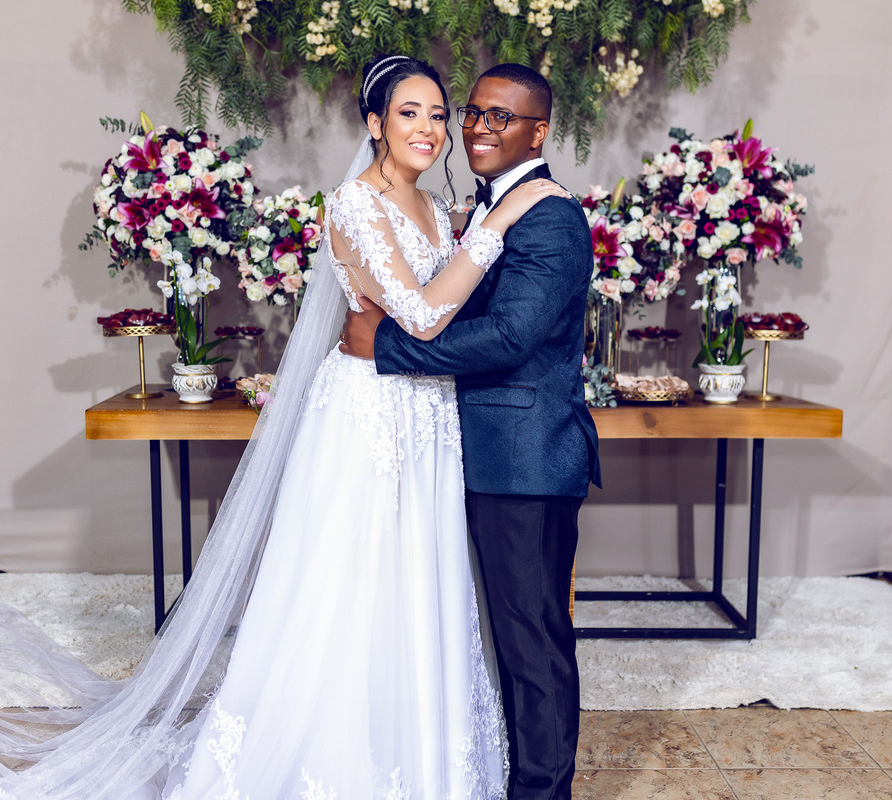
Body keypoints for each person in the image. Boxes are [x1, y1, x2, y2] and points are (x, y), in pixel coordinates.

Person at [0, 56, 568, 800]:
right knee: (353, 579)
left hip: (430, 413)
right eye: (410, 112)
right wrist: (500, 221)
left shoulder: (440, 209)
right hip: (370, 411)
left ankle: (422, 752)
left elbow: (456, 311)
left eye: (439, 114)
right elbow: (426, 316)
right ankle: (340, 760)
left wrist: (483, 228)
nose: (431, 128)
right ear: (374, 123)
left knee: (419, 580)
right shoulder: (355, 204)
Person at [340, 63, 602, 800]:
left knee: (532, 641)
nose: (481, 128)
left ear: (538, 133)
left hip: (525, 458)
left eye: (502, 117)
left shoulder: (548, 215)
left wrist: (386, 348)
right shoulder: (480, 206)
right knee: (497, 636)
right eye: (476, 113)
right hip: (472, 449)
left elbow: (512, 336)